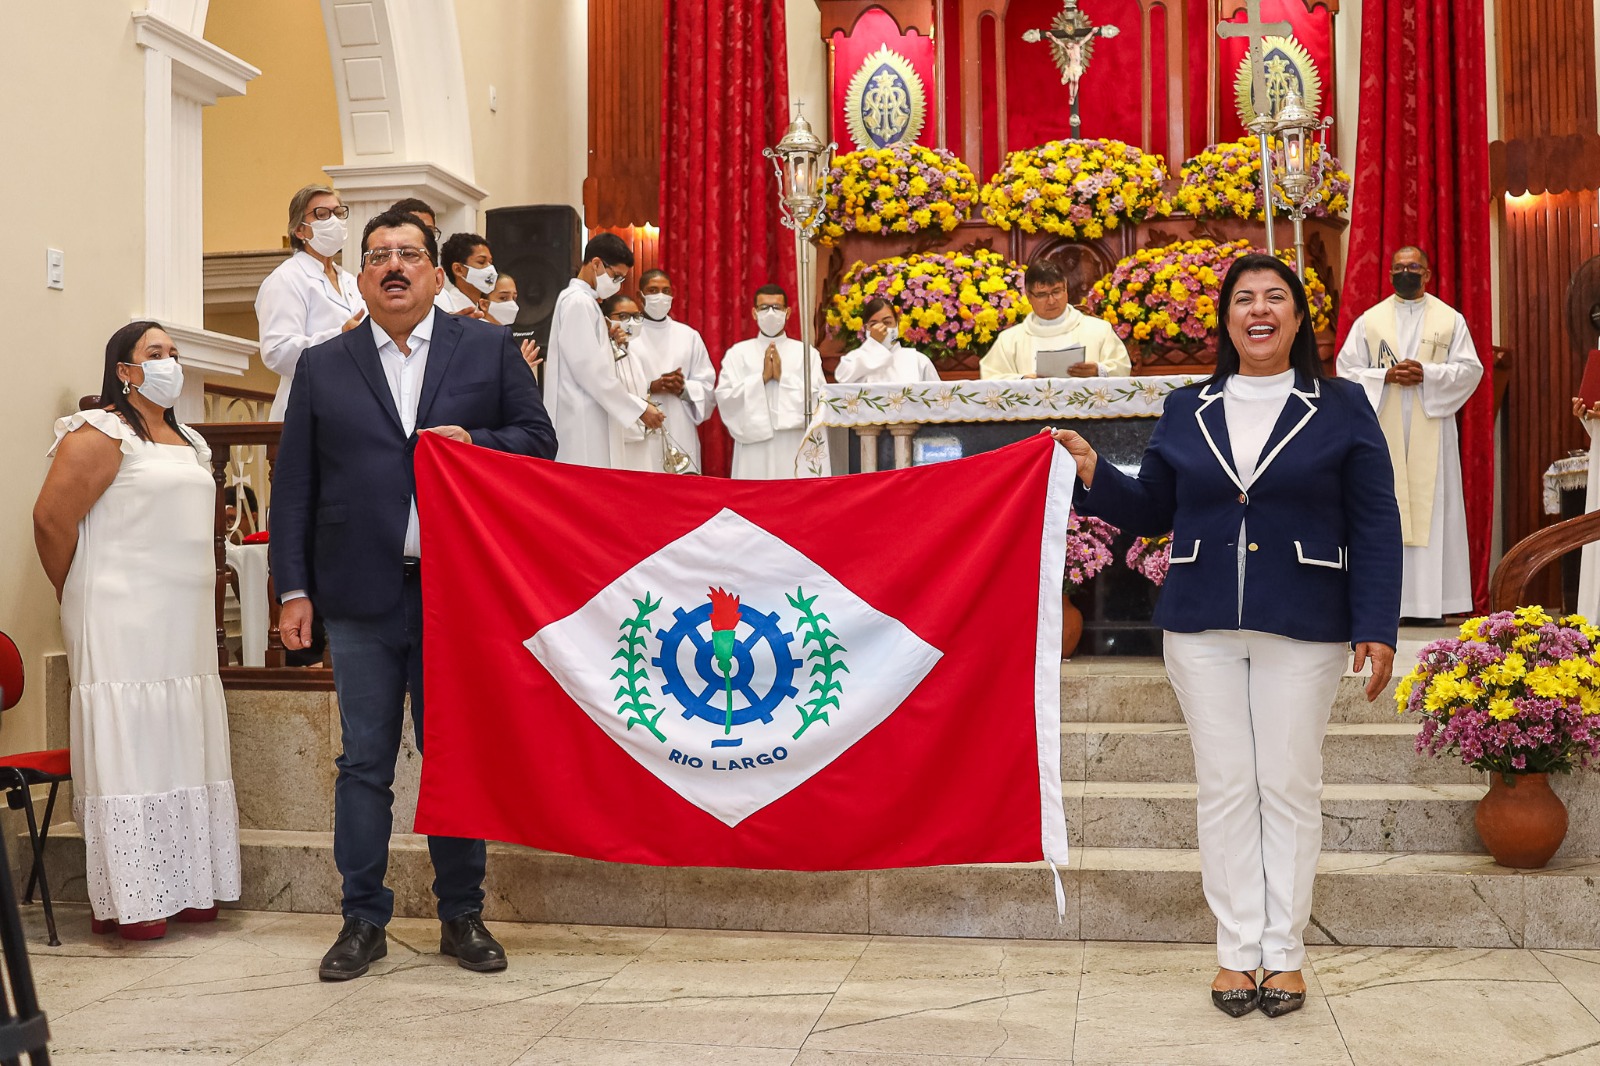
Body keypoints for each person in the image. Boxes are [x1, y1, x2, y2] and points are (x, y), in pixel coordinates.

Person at [1051, 254, 1402, 1018]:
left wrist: (1377, 623)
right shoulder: (1188, 407)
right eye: (1244, 298)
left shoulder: (1341, 405)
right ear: (1227, 319)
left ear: (1299, 318)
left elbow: (1376, 519)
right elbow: (1153, 510)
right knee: (1225, 787)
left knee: (1288, 784)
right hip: (1201, 623)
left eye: (1275, 297)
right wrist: (1092, 470)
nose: (1259, 309)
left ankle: (1286, 954)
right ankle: (1237, 952)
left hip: (1304, 619)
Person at [270, 208, 557, 981]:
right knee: (363, 761)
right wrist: (293, 588)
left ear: (435, 273)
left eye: (408, 254)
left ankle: (461, 915)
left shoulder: (488, 348)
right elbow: (294, 487)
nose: (393, 266)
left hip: (456, 594)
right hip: (357, 595)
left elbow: (539, 441)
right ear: (363, 278)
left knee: (453, 756)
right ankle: (361, 920)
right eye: (378, 256)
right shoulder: (323, 366)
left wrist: (477, 443)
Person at [32, 321, 242, 941]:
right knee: (131, 743)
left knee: (179, 739)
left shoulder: (191, 440)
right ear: (124, 370)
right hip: (119, 614)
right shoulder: (100, 432)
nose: (170, 362)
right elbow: (50, 521)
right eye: (155, 353)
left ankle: (188, 886)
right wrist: (78, 589)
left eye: (174, 353)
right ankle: (134, 896)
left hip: (182, 622)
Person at [1336, 246, 1484, 621]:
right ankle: (1393, 604)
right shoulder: (1370, 321)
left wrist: (1427, 375)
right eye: (1399, 267)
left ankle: (1433, 604)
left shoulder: (1449, 320)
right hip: (1383, 426)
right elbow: (1346, 369)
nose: (1406, 272)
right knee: (1386, 505)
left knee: (1433, 505)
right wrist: (1384, 376)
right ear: (1389, 274)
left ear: (1427, 274)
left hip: (1432, 424)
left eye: (1413, 266)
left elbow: (1470, 369)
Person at [544, 232, 665, 468]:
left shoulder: (584, 301)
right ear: (597, 263)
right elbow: (590, 371)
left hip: (587, 412)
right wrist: (638, 408)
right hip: (581, 420)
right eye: (616, 276)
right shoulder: (578, 301)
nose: (618, 285)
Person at [255, 184, 367, 420]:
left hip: (352, 406)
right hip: (306, 408)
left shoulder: (350, 281)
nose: (334, 221)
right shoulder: (286, 279)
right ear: (299, 230)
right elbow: (277, 352)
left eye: (338, 213)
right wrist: (340, 337)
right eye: (322, 214)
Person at [715, 284, 826, 479]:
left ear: (787, 312)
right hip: (753, 444)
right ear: (754, 313)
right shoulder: (738, 353)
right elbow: (725, 398)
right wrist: (761, 379)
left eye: (777, 307)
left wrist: (783, 378)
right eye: (764, 308)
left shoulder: (807, 354)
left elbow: (820, 400)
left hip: (793, 441)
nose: (771, 313)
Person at [981, 260, 1130, 379]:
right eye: (1042, 295)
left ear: (1066, 289)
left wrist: (1098, 370)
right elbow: (990, 380)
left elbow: (1122, 368)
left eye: (1057, 292)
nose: (1051, 301)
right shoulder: (1009, 340)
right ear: (1029, 296)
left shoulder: (1099, 330)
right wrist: (1023, 381)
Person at [632, 268, 716, 471]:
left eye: (666, 291)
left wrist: (683, 388)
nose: (660, 296)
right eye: (653, 290)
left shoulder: (688, 335)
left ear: (673, 294)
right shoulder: (629, 335)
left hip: (680, 425)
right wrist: (650, 386)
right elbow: (615, 383)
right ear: (640, 296)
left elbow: (707, 386)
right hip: (641, 426)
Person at [601, 293, 657, 471]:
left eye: (636, 316)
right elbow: (606, 389)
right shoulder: (602, 353)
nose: (631, 322)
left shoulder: (635, 353)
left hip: (639, 439)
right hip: (615, 439)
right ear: (606, 320)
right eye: (623, 316)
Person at [835, 297, 941, 384]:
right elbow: (842, 378)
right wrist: (873, 344)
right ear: (866, 328)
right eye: (874, 324)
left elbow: (937, 395)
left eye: (887, 322)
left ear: (897, 324)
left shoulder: (918, 360)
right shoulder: (856, 359)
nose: (881, 329)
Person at [484, 273, 543, 373]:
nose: (512, 304)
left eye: (514, 298)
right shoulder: (479, 337)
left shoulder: (503, 336)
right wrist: (517, 370)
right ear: (484, 304)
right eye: (503, 298)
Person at [435, 232, 494, 318]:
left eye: (490, 263)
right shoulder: (445, 307)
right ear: (458, 269)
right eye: (481, 262)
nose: (490, 269)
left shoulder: (484, 309)